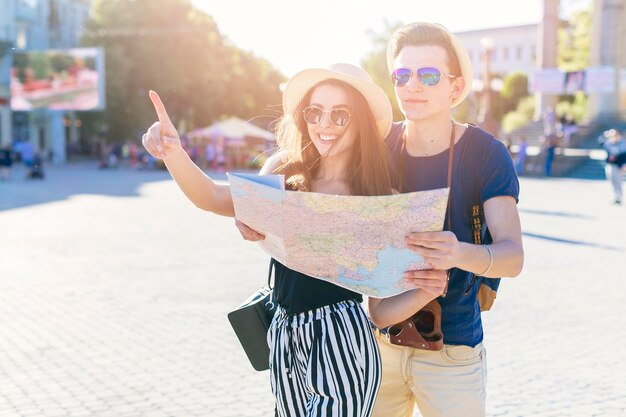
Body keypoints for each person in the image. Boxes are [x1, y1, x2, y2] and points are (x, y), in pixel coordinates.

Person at [142, 63, 449, 417]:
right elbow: (211, 198)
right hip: (284, 336)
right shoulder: (282, 171)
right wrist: (173, 152)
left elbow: (377, 313)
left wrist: (427, 290)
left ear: (361, 121)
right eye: (314, 112)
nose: (324, 124)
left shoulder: (378, 198)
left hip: (344, 341)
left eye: (340, 115)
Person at [366, 22, 524, 417]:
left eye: (429, 75)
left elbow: (512, 256)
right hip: (379, 346)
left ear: (455, 88)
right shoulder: (378, 144)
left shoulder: (487, 153)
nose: (412, 85)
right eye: (402, 75)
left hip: (453, 350)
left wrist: (458, 253)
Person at [602, 129, 626, 204]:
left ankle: (619, 196)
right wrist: (606, 134)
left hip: (619, 165)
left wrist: (624, 164)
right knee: (612, 180)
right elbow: (600, 142)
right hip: (610, 164)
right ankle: (615, 196)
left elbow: (624, 155)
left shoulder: (623, 144)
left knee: (618, 181)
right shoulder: (608, 143)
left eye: (615, 135)